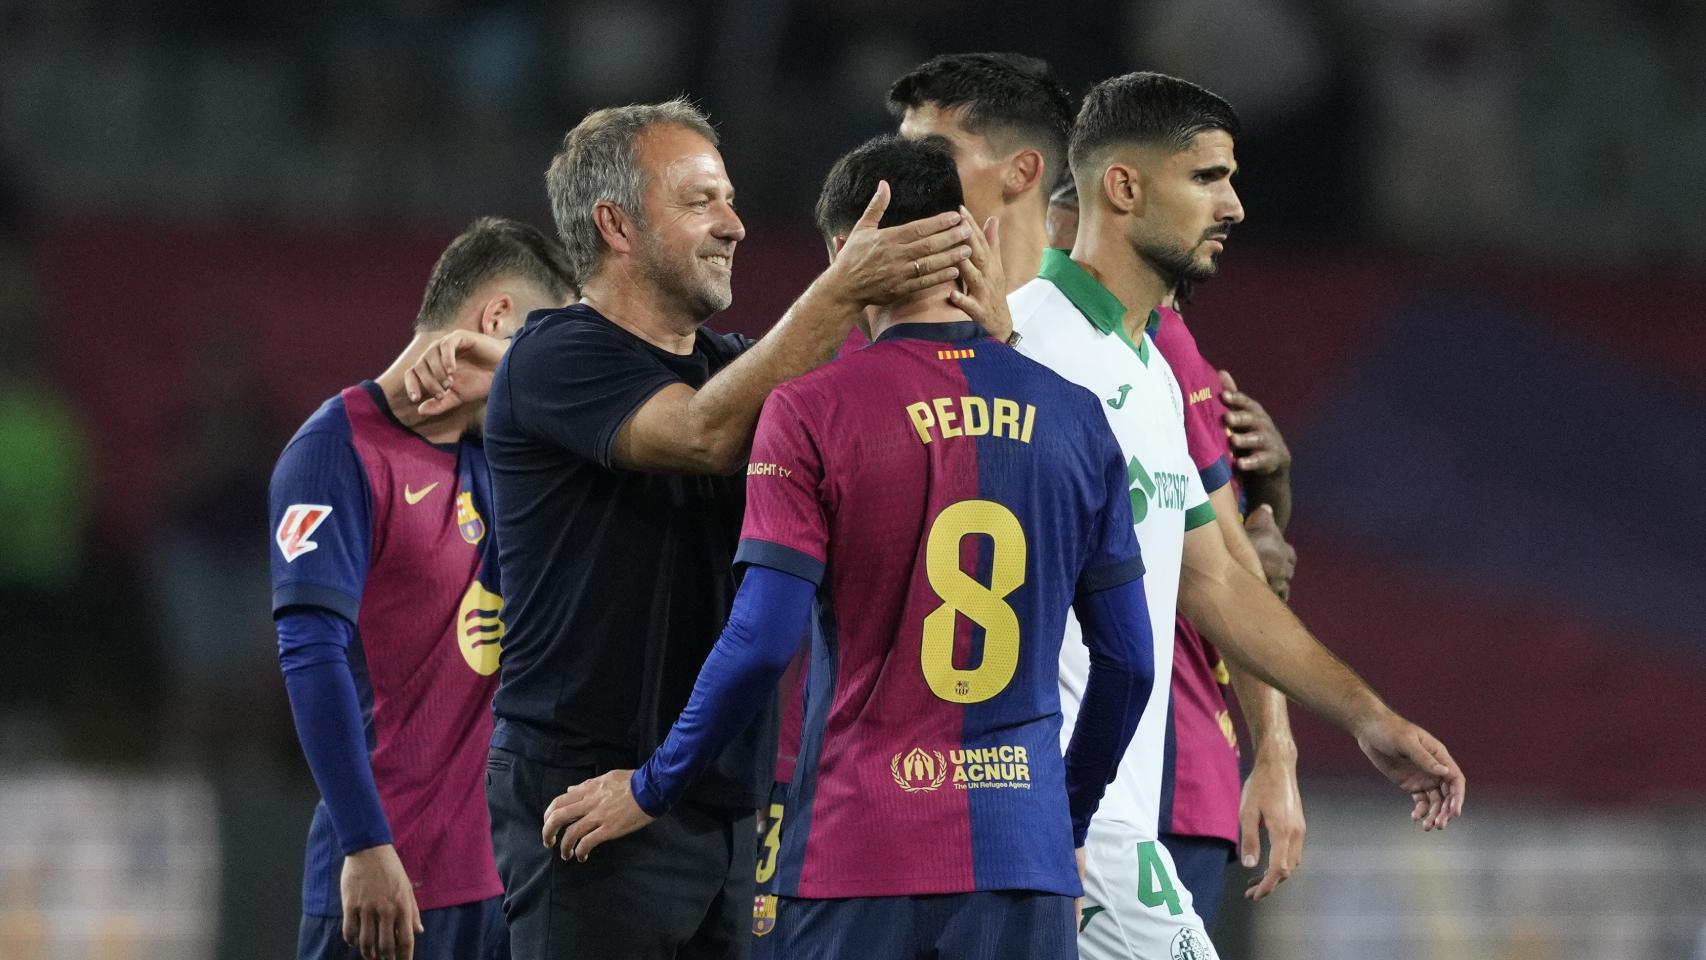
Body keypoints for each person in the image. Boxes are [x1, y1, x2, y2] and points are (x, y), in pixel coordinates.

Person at [542, 133, 1153, 960]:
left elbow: (761, 645)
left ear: (843, 252)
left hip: (857, 853)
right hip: (1022, 854)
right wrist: (1062, 819)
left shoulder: (810, 410)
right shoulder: (1079, 419)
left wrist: (653, 786)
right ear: (964, 242)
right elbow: (1128, 663)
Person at [468, 99, 1000, 960]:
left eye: (731, 199)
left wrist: (988, 338)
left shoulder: (736, 365)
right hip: (590, 795)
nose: (736, 226)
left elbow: (880, 440)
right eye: (702, 201)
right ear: (617, 225)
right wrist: (841, 291)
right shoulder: (553, 357)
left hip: (726, 798)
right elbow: (702, 434)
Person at [1011, 71, 1465, 959]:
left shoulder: (1143, 372)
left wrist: (1368, 716)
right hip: (1043, 808)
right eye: (1207, 178)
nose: (1236, 206)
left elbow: (1216, 578)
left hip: (1106, 809)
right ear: (1124, 187)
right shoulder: (1026, 345)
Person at [894, 53, 1309, 922]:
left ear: (1021, 174)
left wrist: (1274, 750)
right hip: (980, 786)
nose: (896, 179)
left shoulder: (1147, 345)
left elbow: (1235, 558)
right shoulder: (940, 333)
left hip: (1148, 777)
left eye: (929, 155)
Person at [268, 217, 576, 960]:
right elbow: (310, 653)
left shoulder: (514, 455)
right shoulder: (332, 453)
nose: (556, 369)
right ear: (498, 318)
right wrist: (365, 843)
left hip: (509, 886)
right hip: (390, 887)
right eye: (548, 340)